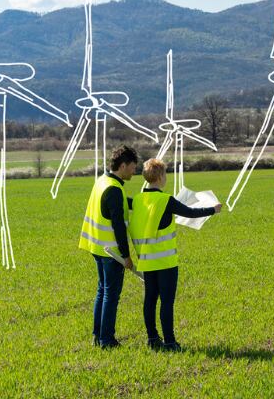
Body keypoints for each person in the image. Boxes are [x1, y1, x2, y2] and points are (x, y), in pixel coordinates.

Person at [129, 158, 221, 351]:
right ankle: (170, 342)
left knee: (150, 300)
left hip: (146, 259)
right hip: (165, 260)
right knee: (167, 302)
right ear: (161, 177)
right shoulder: (165, 200)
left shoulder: (138, 200)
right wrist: (213, 209)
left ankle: (152, 339)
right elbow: (190, 212)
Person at [78, 145, 138, 349]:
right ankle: (107, 340)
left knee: (103, 292)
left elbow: (119, 203)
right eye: (132, 167)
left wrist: (143, 202)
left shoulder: (103, 181)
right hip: (111, 251)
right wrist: (126, 256)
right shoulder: (113, 188)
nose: (134, 171)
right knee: (111, 295)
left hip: (97, 247)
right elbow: (118, 225)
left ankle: (98, 336)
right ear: (122, 165)